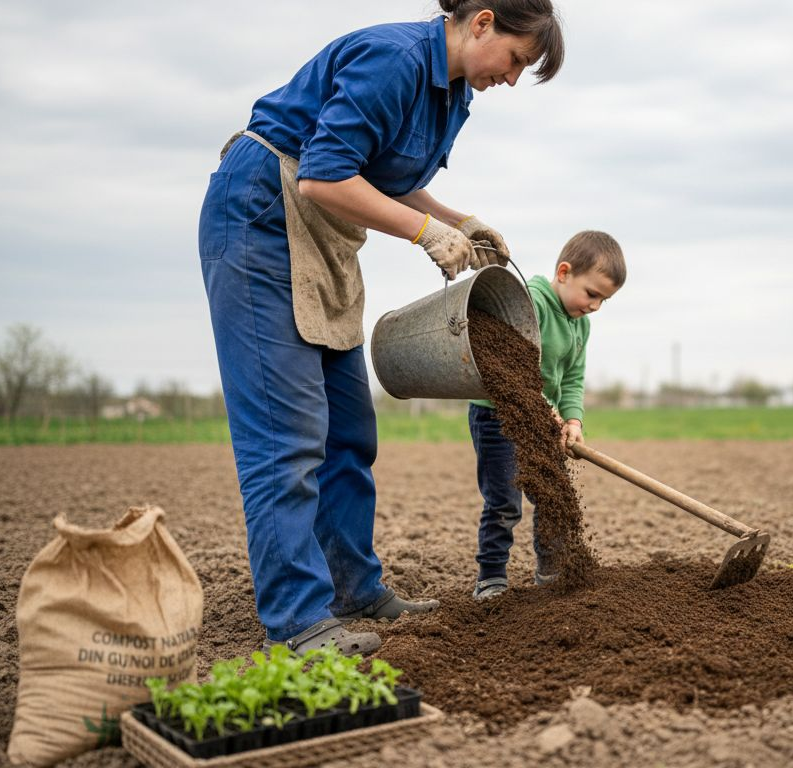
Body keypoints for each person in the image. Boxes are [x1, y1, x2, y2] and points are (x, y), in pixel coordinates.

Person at [198, 1, 565, 654]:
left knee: (348, 429)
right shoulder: (395, 61)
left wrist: (459, 219)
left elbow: (387, 178)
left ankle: (354, 590)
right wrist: (428, 233)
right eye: (515, 60)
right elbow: (324, 175)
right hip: (261, 217)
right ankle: (299, 624)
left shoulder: (450, 96)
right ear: (482, 22)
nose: (512, 79)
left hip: (323, 240)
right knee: (289, 434)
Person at [468, 231, 626, 600]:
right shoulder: (529, 303)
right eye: (592, 294)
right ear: (564, 272)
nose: (595, 306)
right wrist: (542, 408)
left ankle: (553, 570)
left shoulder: (580, 325)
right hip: (500, 418)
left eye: (604, 300)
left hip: (545, 423)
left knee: (554, 494)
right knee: (504, 501)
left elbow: (572, 377)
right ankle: (491, 577)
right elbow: (512, 366)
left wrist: (573, 420)